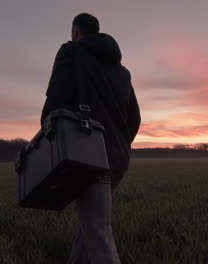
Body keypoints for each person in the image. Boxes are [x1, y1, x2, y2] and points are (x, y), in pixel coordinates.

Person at [40, 13, 141, 264]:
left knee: (97, 232)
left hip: (87, 154)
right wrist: (120, 144)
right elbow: (135, 119)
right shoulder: (123, 72)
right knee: (90, 225)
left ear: (76, 32)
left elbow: (56, 101)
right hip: (119, 157)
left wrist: (45, 135)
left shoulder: (71, 52)